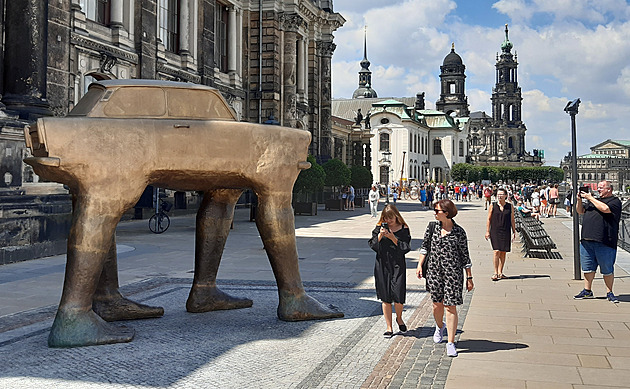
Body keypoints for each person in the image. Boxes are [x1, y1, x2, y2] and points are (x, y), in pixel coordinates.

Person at [416, 199, 473, 357]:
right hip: (434, 272)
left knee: (451, 307)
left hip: (453, 274)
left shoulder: (459, 232)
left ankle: (451, 342)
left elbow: (465, 256)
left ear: (446, 213)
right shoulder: (432, 228)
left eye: (437, 210)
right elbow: (425, 246)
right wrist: (420, 265)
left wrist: (469, 277)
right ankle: (439, 326)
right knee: (437, 305)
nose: (434, 213)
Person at [574, 180, 622, 303]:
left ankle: (609, 292)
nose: (599, 189)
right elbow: (580, 211)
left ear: (609, 189)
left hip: (605, 240)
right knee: (588, 268)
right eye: (598, 187)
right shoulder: (593, 201)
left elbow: (605, 209)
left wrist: (590, 198)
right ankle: (587, 290)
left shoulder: (615, 201)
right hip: (587, 239)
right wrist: (579, 200)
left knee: (607, 268)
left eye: (601, 187)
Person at [368, 204, 412, 338]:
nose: (389, 221)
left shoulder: (404, 228)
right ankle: (389, 327)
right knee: (385, 297)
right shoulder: (379, 228)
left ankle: (399, 318)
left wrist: (393, 237)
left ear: (396, 216)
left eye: (391, 218)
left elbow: (406, 248)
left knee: (398, 295)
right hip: (382, 264)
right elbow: (372, 244)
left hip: (398, 264)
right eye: (386, 218)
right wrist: (381, 236)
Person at [485, 187, 516, 281]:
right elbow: (489, 219)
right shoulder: (493, 205)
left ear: (506, 196)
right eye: (498, 194)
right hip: (495, 230)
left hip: (506, 230)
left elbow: (512, 219)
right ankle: (495, 272)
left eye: (501, 194)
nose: (499, 196)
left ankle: (500, 272)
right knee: (496, 251)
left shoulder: (509, 206)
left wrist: (514, 231)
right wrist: (487, 231)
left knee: (503, 251)